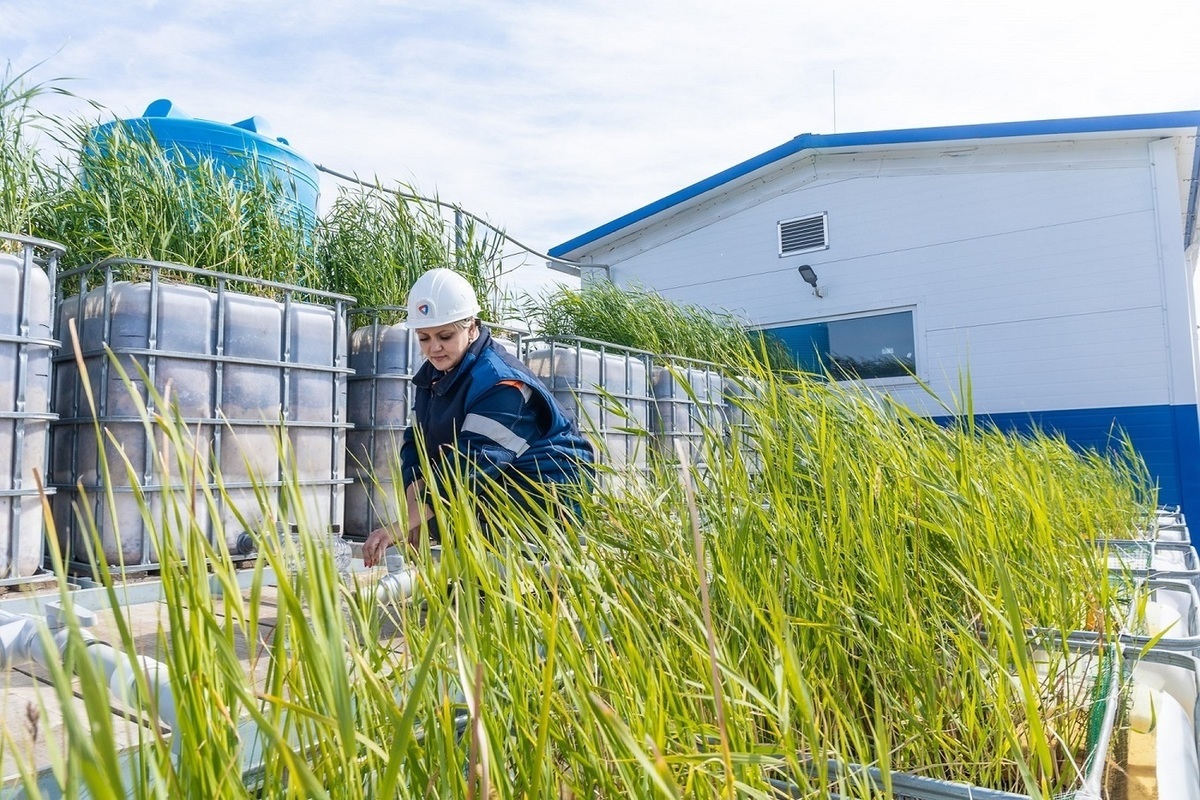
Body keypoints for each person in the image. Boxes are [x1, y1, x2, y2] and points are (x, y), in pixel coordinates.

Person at [362, 268, 594, 567]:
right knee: (442, 523)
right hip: (494, 483)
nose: (434, 347)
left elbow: (471, 466)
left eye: (445, 336)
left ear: (472, 328)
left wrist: (398, 526)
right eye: (424, 338)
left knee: (516, 575)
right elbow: (416, 446)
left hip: (547, 494)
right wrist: (413, 521)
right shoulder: (434, 379)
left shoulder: (502, 383)